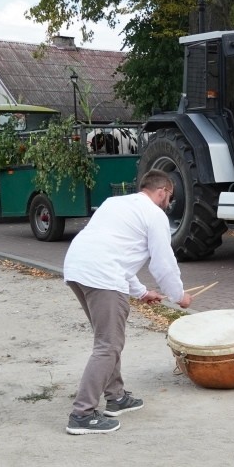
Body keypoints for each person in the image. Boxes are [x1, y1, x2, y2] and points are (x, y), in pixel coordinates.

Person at [61, 169, 193, 435]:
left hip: (77, 267)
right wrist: (179, 296)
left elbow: (117, 254)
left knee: (108, 339)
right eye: (170, 196)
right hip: (102, 275)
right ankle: (82, 414)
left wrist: (143, 293)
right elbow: (163, 262)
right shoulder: (154, 214)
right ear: (162, 192)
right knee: (108, 344)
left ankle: (116, 396)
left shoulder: (115, 203)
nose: (169, 202)